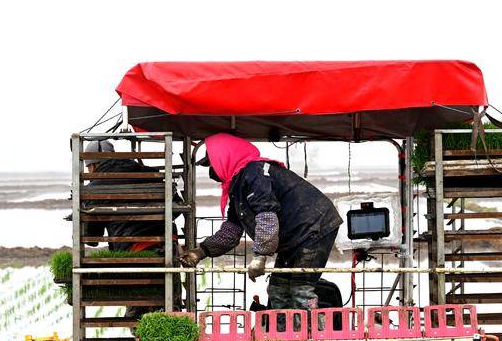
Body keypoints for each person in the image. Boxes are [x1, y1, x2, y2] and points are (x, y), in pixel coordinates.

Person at [180, 133, 342, 310]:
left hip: (314, 229)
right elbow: (232, 231)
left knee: (301, 289)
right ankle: (283, 332)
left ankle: (311, 335)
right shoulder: (238, 186)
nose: (212, 172)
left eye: (212, 165)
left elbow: (267, 216)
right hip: (293, 237)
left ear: (224, 157)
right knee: (277, 289)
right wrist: (200, 252)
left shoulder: (255, 174)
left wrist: (260, 257)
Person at [77, 139, 184, 317]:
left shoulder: (94, 188)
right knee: (171, 311)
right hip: (167, 249)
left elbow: (92, 238)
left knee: (138, 316)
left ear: (93, 165)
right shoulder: (149, 173)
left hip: (133, 256)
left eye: (88, 168)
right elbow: (177, 210)